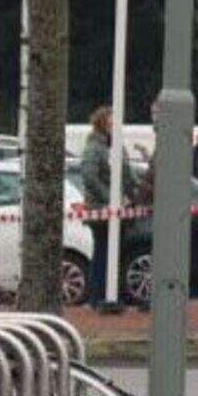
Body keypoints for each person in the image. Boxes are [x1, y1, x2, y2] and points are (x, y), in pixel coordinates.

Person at [75, 107, 124, 306]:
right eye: (112, 123)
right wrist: (109, 198)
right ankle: (97, 295)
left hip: (107, 208)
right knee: (103, 251)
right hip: (100, 209)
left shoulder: (107, 146)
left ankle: (105, 292)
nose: (114, 127)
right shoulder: (95, 147)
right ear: (103, 124)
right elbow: (89, 175)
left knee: (108, 250)